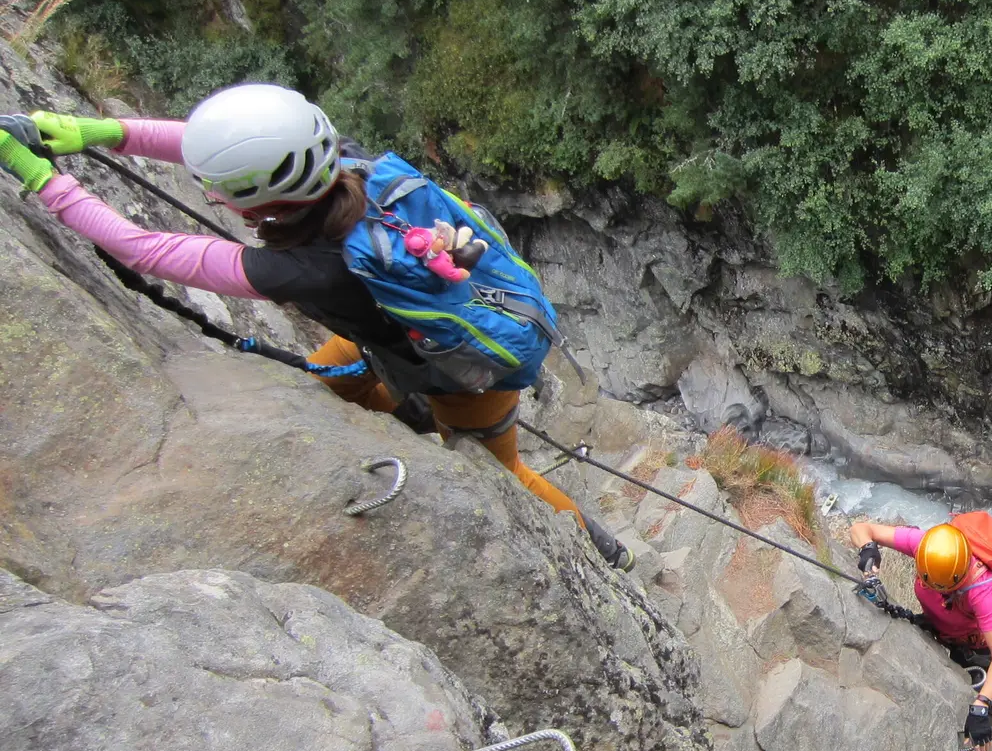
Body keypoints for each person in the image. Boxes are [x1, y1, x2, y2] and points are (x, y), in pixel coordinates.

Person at [0, 85, 634, 569]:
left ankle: (596, 546)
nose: (215, 195)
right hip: (400, 339)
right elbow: (222, 152)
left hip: (464, 379)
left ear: (261, 202)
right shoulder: (350, 166)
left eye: (223, 191)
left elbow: (146, 252)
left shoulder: (300, 269)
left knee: (500, 470)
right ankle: (404, 409)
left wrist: (43, 178)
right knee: (333, 380)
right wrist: (92, 133)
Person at [847, 519, 992, 751]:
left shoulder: (979, 587)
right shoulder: (925, 546)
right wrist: (868, 549)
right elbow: (861, 528)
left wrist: (982, 705)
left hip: (973, 644)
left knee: (984, 682)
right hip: (939, 625)